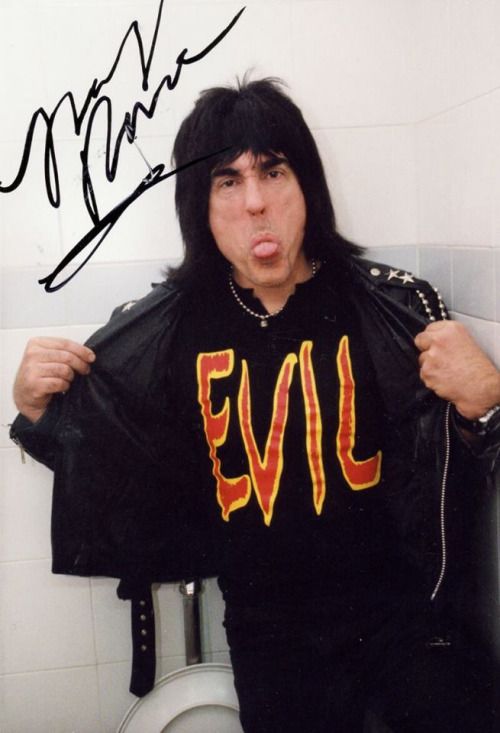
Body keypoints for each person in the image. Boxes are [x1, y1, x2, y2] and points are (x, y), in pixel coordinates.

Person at [10, 78, 500, 732]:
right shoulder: (168, 335)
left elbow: (453, 463)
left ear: (308, 187)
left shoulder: (393, 310)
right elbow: (116, 461)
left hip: (405, 615)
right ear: (199, 206)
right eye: (227, 182)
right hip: (270, 633)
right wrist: (38, 410)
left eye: (274, 170)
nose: (257, 204)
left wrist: (488, 403)